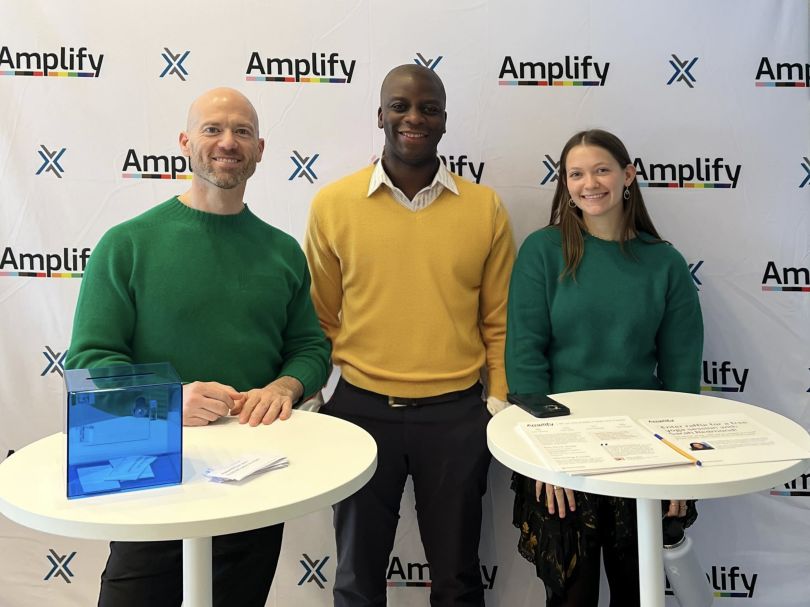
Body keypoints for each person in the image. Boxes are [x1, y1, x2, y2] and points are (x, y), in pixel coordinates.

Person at [65, 87, 331, 607]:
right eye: (213, 129)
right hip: (150, 472)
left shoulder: (282, 252)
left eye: (242, 132)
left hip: (255, 476)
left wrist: (286, 383)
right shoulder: (128, 244)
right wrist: (168, 398)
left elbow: (310, 347)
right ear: (186, 142)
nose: (227, 142)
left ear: (260, 149)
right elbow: (91, 361)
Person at [304, 64, 516, 607]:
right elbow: (319, 320)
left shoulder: (484, 207)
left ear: (445, 120)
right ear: (380, 115)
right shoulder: (333, 205)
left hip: (457, 418)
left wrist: (498, 398)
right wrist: (310, 393)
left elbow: (499, 319)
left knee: (457, 579)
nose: (413, 118)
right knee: (356, 579)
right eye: (400, 106)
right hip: (359, 412)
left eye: (428, 108)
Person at [505, 129, 703, 607]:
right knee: (571, 597)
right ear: (565, 184)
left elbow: (681, 375)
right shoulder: (542, 251)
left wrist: (677, 469)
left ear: (628, 175)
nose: (589, 183)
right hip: (563, 451)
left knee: (639, 595)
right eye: (576, 173)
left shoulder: (665, 263)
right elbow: (525, 357)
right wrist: (545, 457)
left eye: (601, 170)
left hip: (645, 450)